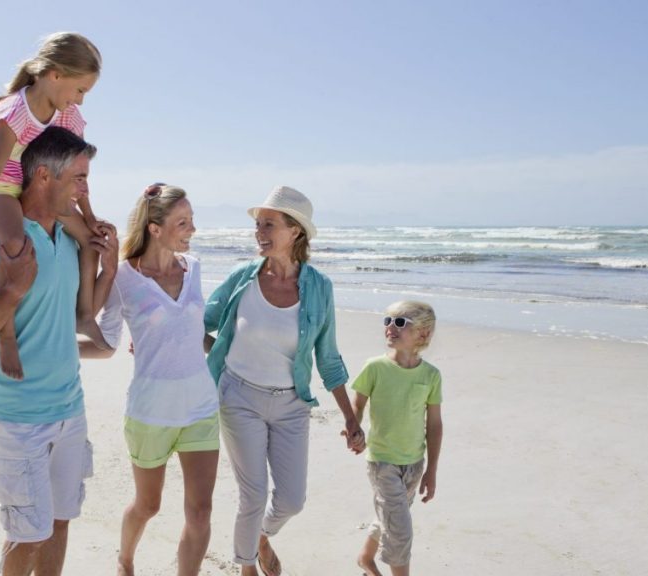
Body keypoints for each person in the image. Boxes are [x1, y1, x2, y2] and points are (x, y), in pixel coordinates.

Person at [0, 126, 118, 576]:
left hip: (70, 408)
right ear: (43, 176)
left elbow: (83, 314)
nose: (85, 190)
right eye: (79, 178)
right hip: (18, 416)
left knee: (59, 523)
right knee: (27, 535)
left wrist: (108, 259)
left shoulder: (69, 240)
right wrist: (11, 295)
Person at [203, 186, 366, 576]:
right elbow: (199, 323)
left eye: (269, 225)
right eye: (258, 224)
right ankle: (246, 568)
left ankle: (259, 537)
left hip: (292, 404)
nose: (259, 232)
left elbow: (328, 357)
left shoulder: (319, 288)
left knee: (292, 499)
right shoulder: (241, 279)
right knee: (253, 494)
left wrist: (350, 418)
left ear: (295, 232)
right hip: (239, 396)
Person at [0, 31, 110, 381]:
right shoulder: (13, 110)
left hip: (36, 185)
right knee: (16, 244)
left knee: (90, 241)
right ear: (54, 75)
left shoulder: (67, 117)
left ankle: (83, 314)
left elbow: (75, 169)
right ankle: (7, 335)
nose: (81, 101)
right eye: (80, 90)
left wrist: (90, 216)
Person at [94, 184, 219, 576]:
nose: (192, 229)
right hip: (150, 412)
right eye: (183, 222)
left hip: (201, 406)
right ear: (155, 228)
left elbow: (194, 332)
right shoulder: (122, 279)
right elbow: (107, 342)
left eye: (192, 220)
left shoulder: (194, 267)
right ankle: (125, 558)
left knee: (200, 511)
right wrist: (52, 347)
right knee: (149, 505)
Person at [351, 301, 443, 576]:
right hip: (382, 463)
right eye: (388, 321)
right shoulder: (375, 368)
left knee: (389, 517)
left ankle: (365, 559)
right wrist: (354, 429)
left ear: (423, 334)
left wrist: (431, 470)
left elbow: (435, 425)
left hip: (414, 463)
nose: (391, 327)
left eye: (400, 322)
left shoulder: (431, 375)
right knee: (400, 529)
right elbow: (357, 405)